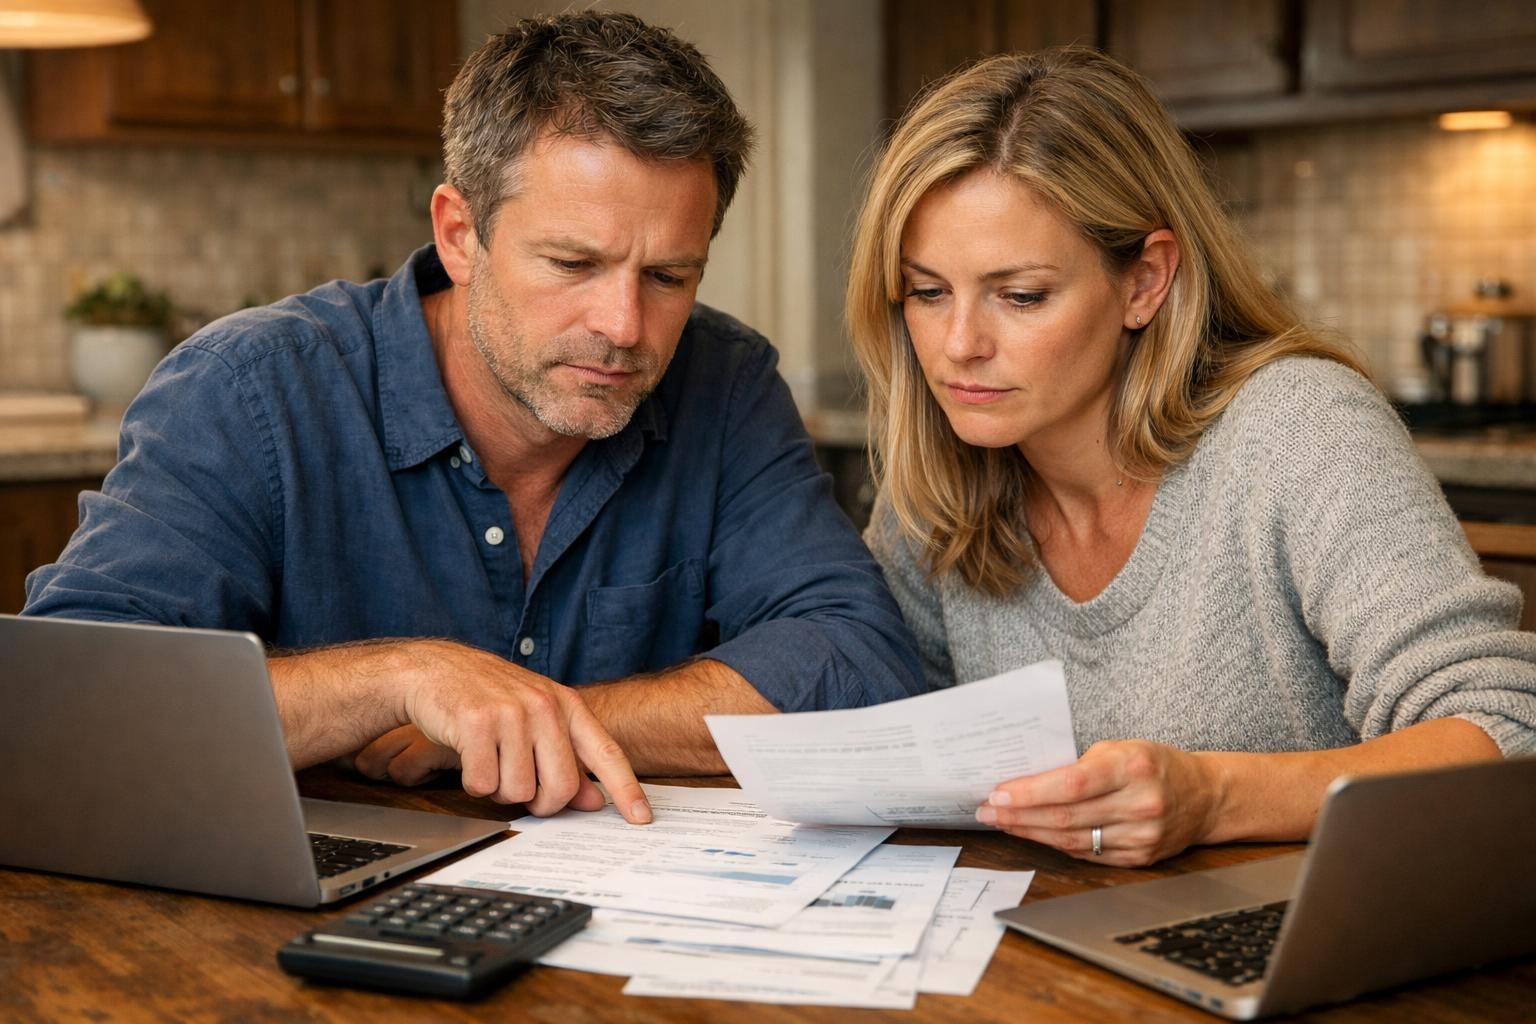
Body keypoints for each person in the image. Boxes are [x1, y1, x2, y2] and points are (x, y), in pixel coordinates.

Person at [24, 12, 924, 824]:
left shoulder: (723, 383)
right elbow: (63, 707)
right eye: (573, 263)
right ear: (460, 234)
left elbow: (858, 662)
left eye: (668, 277)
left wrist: (536, 718)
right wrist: (405, 678)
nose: (623, 327)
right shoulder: (249, 390)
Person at [848, 47, 1536, 867]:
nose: (959, 346)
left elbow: (1509, 730)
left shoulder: (1297, 429)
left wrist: (1211, 798)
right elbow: (876, 723)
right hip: (1058, 949)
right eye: (928, 292)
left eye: (1021, 295)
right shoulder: (938, 484)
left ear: (1145, 281)